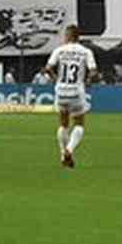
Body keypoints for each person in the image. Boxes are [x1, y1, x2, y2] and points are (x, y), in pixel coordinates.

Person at [45, 25, 97, 169]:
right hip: (76, 91)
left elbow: (48, 68)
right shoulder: (86, 52)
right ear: (78, 37)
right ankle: (69, 150)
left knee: (63, 124)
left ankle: (63, 154)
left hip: (61, 91)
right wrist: (88, 80)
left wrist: (56, 79)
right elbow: (93, 71)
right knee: (79, 124)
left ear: (68, 36)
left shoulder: (59, 50)